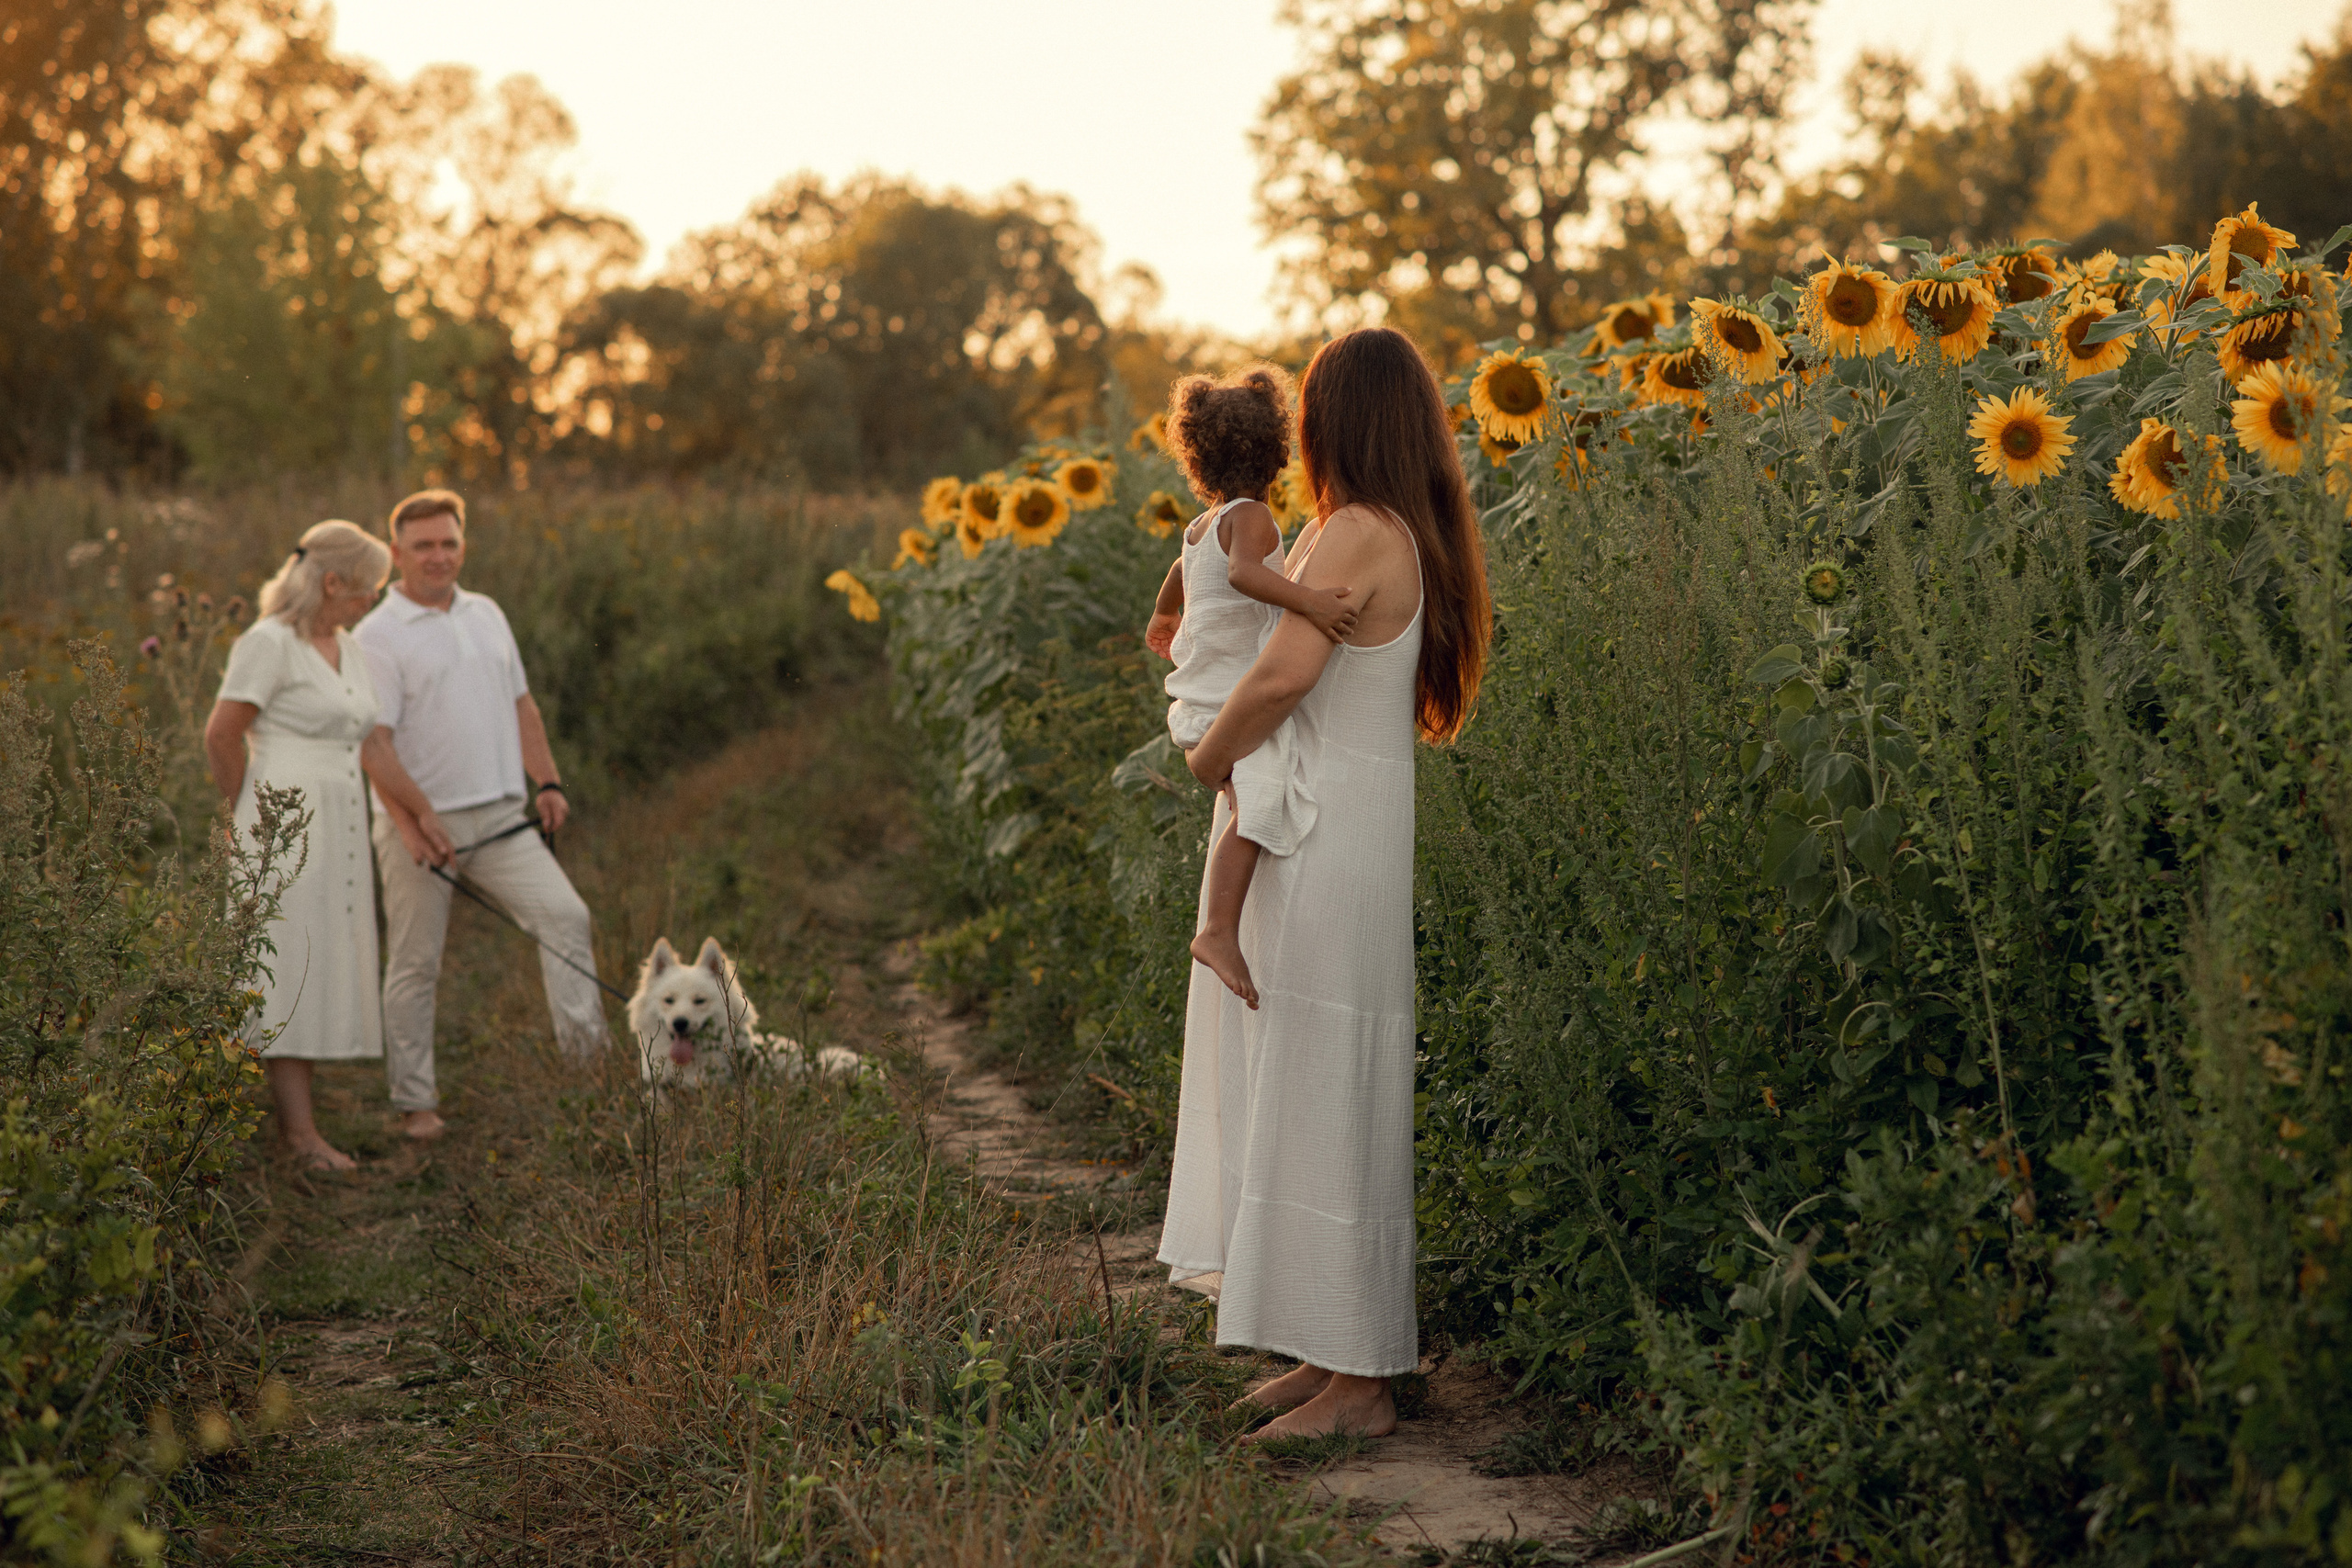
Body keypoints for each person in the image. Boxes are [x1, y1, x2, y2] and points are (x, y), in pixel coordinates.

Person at [1155, 327, 1492, 1442]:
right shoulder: (1398, 528)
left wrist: (1206, 758)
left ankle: (1360, 1381)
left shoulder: (1354, 528)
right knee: (1310, 1076)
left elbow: (1284, 673)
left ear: (1332, 420)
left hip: (1322, 834)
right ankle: (1325, 1348)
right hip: (1339, 823)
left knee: (1327, 1079)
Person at [356, 489, 610, 1140]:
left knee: (566, 917)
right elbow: (373, 744)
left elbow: (523, 705)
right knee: (417, 963)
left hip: (501, 817)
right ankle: (416, 1105)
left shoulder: (488, 613)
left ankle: (589, 1077)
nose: (438, 556)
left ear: (462, 544)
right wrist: (413, 823)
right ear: (396, 553)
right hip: (419, 828)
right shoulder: (375, 635)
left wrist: (547, 780)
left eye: (448, 542)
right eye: (423, 545)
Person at [204, 520, 455, 1171]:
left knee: (315, 962)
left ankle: (298, 1121)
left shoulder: (348, 645)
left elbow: (371, 743)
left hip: (339, 820)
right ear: (332, 581)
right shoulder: (269, 642)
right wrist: (245, 818)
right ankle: (299, 1135)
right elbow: (221, 735)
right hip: (282, 823)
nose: (372, 598)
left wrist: (419, 811)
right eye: (365, 588)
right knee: (286, 965)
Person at [1143, 366, 1360, 1009]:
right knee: (1260, 801)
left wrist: (1162, 612)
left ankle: (1221, 924)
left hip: (1198, 700)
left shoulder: (1205, 523)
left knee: (1253, 796)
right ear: (1277, 452)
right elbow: (1243, 577)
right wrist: (1310, 602)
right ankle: (1216, 929)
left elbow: (1186, 566)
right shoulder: (1255, 520)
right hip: (1227, 702)